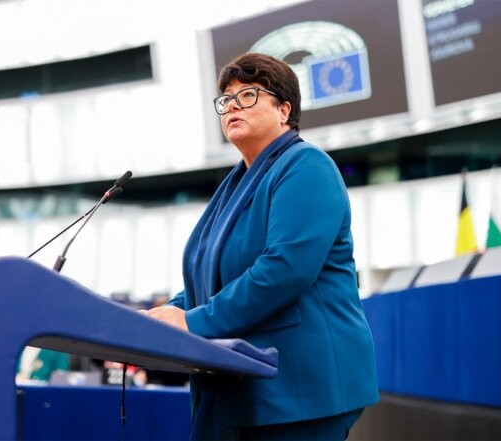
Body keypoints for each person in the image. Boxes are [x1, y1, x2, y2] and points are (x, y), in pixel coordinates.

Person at [143, 52, 379, 440]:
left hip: (300, 387)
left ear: (284, 110)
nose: (232, 105)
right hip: (243, 385)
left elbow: (285, 268)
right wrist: (165, 314)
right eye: (226, 99)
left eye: (248, 95)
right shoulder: (237, 183)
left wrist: (194, 321)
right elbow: (214, 279)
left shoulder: (306, 166)